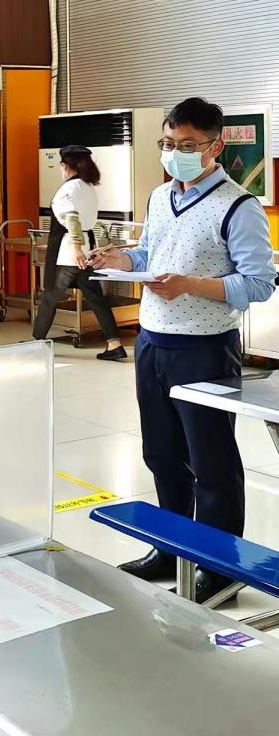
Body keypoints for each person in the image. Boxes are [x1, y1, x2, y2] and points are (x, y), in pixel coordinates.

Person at [90, 98, 276, 603]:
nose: (175, 154)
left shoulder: (239, 206)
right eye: (168, 143)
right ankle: (170, 548)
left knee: (211, 463)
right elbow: (151, 253)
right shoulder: (159, 196)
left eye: (188, 146)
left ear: (216, 146)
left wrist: (190, 285)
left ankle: (220, 565)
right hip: (152, 342)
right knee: (162, 454)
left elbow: (259, 283)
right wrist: (122, 259)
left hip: (205, 349)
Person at [32, 145, 126, 361]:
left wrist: (75, 248)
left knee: (50, 297)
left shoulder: (68, 189)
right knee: (96, 299)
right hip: (88, 249)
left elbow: (71, 219)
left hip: (69, 253)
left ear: (65, 166)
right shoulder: (88, 188)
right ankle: (114, 344)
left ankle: (37, 343)